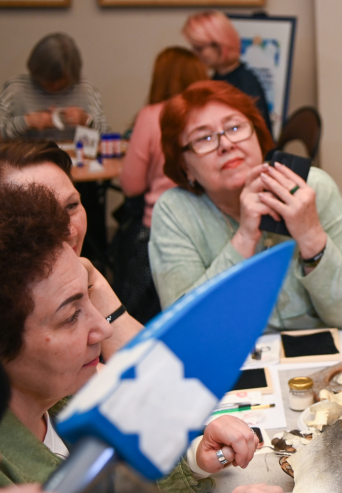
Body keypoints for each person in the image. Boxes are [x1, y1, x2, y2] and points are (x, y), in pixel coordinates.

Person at [0, 181, 261, 492]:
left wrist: (193, 459)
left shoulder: (66, 401)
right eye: (70, 317)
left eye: (89, 296)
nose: (104, 328)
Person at [150, 80, 342, 330]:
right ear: (185, 167)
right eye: (204, 138)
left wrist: (310, 235)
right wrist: (244, 238)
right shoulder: (175, 212)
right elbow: (187, 330)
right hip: (237, 352)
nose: (226, 144)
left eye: (234, 127)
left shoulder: (312, 188)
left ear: (257, 135)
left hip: (322, 349)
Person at [0, 140, 143, 356]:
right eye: (41, 217)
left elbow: (155, 367)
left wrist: (96, 283)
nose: (70, 231)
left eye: (72, 206)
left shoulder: (84, 279)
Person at [115, 47, 209, 323]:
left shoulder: (152, 115)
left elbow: (131, 185)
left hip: (156, 227)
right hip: (207, 224)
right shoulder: (211, 116)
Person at [0, 33, 109, 141]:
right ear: (38, 70)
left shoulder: (86, 90)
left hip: (74, 152)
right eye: (49, 79)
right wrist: (26, 122)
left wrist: (87, 121)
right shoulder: (15, 89)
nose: (55, 85)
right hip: (27, 152)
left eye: (62, 80)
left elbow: (108, 136)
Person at [181, 11, 273, 135]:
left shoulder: (243, 84)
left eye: (199, 48)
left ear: (220, 46)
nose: (194, 54)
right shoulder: (219, 77)